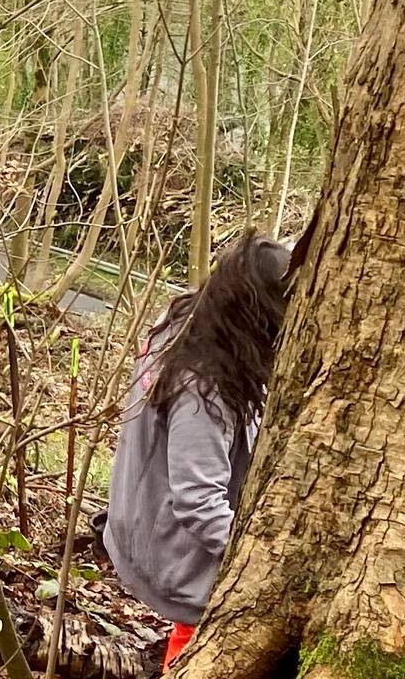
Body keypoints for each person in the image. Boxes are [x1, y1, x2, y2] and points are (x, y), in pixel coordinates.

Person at [102, 231, 292, 670]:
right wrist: (261, 562)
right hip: (173, 554)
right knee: (201, 641)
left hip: (144, 525)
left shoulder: (187, 325)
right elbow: (198, 502)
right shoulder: (204, 387)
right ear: (257, 314)